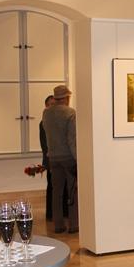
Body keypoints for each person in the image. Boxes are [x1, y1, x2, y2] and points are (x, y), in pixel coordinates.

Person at [41, 84, 79, 234]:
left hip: (53, 157)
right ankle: (74, 224)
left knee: (56, 192)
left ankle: (58, 225)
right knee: (72, 191)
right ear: (66, 98)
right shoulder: (70, 113)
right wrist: (77, 159)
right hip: (68, 157)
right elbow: (71, 139)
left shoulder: (46, 114)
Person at [40, 95, 68, 222]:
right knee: (52, 187)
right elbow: (45, 144)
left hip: (59, 158)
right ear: (46, 106)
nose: (53, 106)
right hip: (51, 159)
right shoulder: (43, 123)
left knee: (62, 187)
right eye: (50, 104)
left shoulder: (56, 121)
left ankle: (64, 213)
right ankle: (51, 214)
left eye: (54, 104)